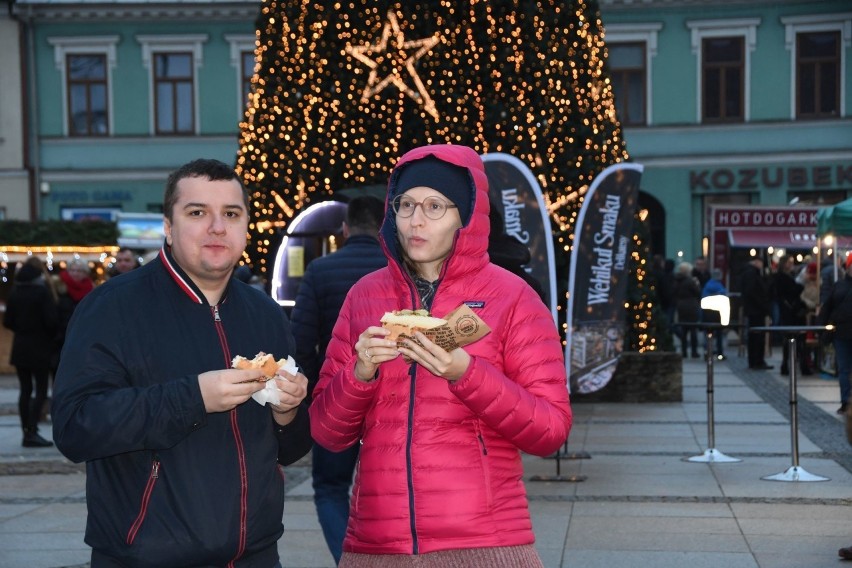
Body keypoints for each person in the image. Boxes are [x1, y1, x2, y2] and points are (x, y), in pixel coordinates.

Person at [309, 145, 572, 567]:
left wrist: (466, 373)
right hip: (376, 547)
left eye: (435, 206)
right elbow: (326, 432)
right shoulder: (364, 296)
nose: (416, 220)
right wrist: (360, 374)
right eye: (406, 204)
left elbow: (551, 430)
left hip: (486, 543)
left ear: (464, 217)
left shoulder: (512, 298)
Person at [51, 158, 313, 567]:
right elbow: (75, 428)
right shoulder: (112, 307)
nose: (217, 227)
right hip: (148, 556)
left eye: (231, 213)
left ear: (246, 226)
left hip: (256, 554)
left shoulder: (265, 312)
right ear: (169, 227)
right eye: (197, 213)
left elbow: (288, 450)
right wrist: (193, 397)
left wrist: (289, 411)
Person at [290, 195, 387, 565]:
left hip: (337, 398)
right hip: (388, 400)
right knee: (386, 489)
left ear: (344, 230)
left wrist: (316, 392)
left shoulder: (320, 270)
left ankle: (347, 559)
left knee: (330, 488)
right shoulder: (399, 269)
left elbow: (301, 340)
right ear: (383, 228)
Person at [3, 257, 58, 447]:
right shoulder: (42, 292)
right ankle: (32, 430)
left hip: (20, 346)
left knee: (25, 390)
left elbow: (8, 321)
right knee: (41, 389)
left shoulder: (16, 291)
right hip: (40, 346)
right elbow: (51, 320)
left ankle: (25, 429)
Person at [819, 253, 852, 414]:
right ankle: (846, 401)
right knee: (844, 369)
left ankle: (847, 401)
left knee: (845, 369)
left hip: (842, 332)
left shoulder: (839, 286)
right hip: (842, 334)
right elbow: (827, 308)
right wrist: (822, 328)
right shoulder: (839, 286)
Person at [774, 255, 811, 376]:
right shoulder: (783, 278)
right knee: (795, 340)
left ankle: (789, 365)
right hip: (791, 313)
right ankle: (794, 365)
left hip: (791, 312)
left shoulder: (786, 277)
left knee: (792, 340)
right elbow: (793, 291)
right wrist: (801, 284)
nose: (792, 264)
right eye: (789, 262)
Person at [741, 257, 773, 370]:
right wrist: (763, 305)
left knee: (756, 336)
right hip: (756, 310)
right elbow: (753, 292)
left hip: (754, 309)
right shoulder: (752, 274)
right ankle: (756, 360)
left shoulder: (750, 273)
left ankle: (756, 360)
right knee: (757, 336)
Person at [673, 261, 701, 359]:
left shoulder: (677, 280)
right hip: (691, 305)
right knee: (693, 329)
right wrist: (697, 284)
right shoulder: (690, 281)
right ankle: (694, 351)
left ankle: (684, 351)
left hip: (681, 306)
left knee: (684, 330)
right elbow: (697, 292)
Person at [701, 268, 728, 360]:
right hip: (717, 313)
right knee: (719, 334)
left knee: (708, 334)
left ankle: (707, 351)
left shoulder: (707, 285)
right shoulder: (719, 286)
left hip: (707, 313)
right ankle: (719, 353)